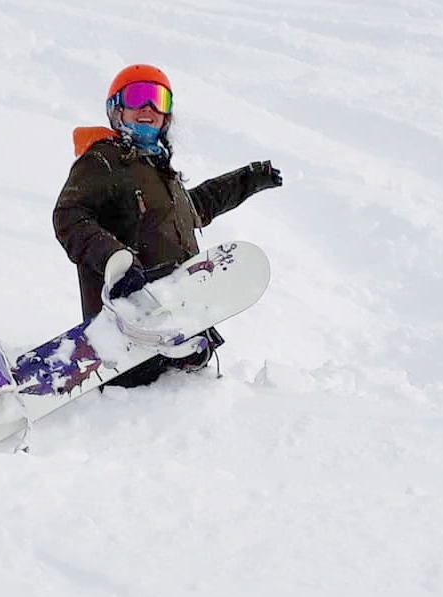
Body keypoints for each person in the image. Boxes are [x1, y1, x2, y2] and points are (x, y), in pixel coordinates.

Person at [52, 64, 283, 387]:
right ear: (116, 109)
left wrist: (247, 179)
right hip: (130, 326)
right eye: (137, 97)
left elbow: (195, 208)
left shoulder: (158, 173)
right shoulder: (103, 160)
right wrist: (114, 259)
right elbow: (69, 215)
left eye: (158, 99)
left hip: (179, 329)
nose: (148, 108)